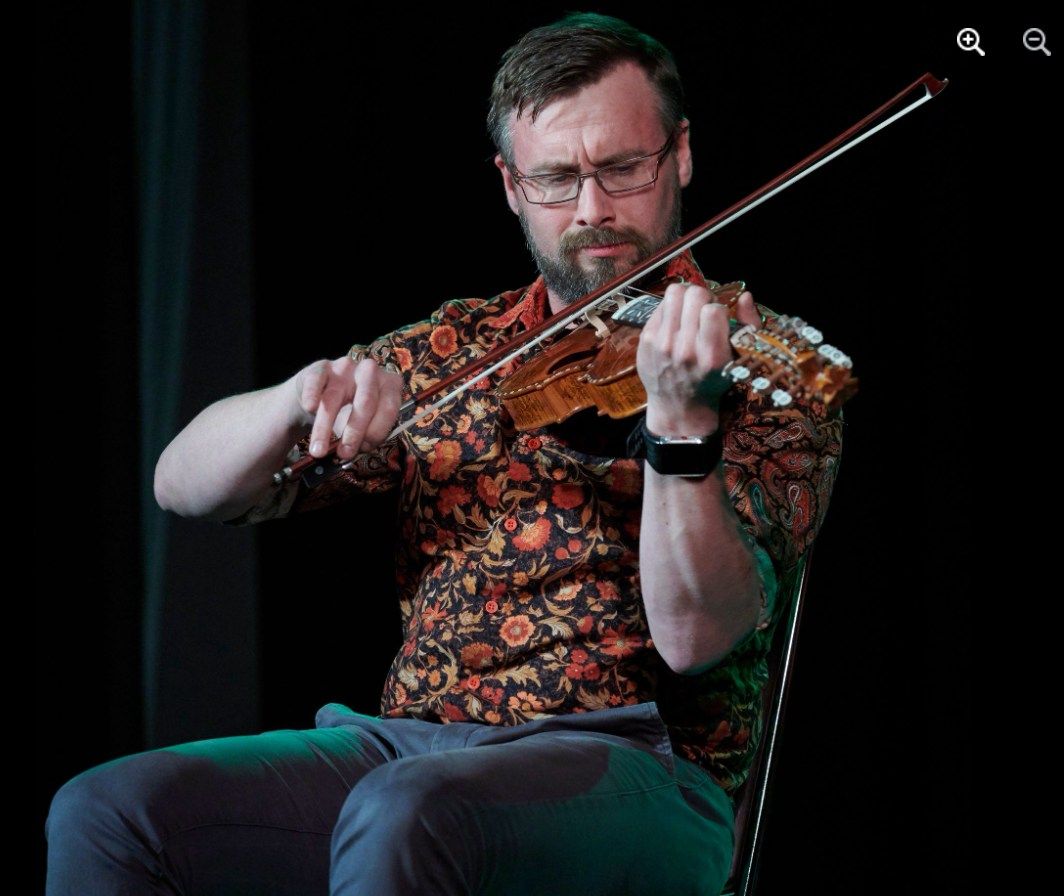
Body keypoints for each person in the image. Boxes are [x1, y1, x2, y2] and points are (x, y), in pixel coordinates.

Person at [46, 11, 843, 895]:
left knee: (407, 814)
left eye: (623, 169)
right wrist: (298, 401)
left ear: (680, 156)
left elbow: (697, 638)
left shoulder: (764, 367)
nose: (591, 210)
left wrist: (680, 425)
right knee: (110, 810)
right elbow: (179, 485)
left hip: (641, 764)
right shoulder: (461, 346)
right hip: (406, 746)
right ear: (510, 184)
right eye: (554, 179)